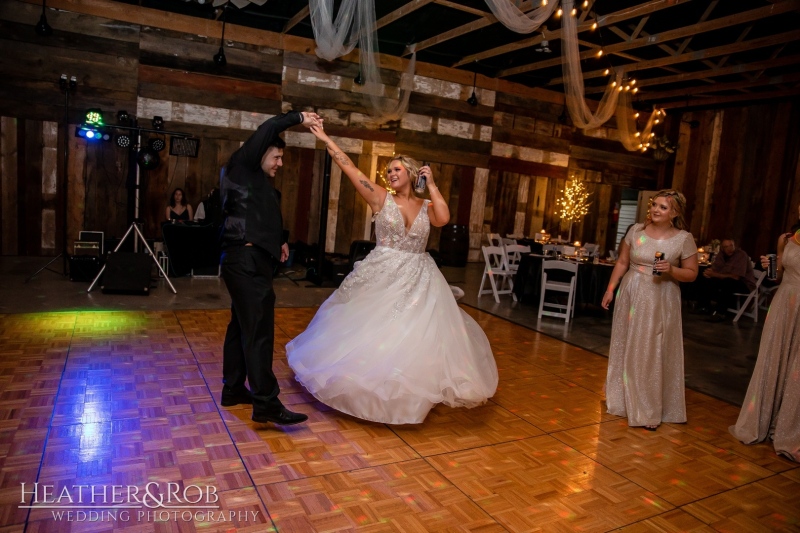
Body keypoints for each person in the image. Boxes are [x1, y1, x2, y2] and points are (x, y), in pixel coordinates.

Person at [286, 125, 498, 425]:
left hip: (419, 276)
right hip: (384, 272)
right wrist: (324, 139)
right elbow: (349, 168)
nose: (390, 174)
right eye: (388, 171)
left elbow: (444, 218)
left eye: (396, 169)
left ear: (412, 173)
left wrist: (433, 185)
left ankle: (407, 389)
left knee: (412, 333)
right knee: (375, 329)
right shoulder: (380, 198)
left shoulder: (426, 205)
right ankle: (370, 385)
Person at [219, 110, 321, 426]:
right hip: (246, 263)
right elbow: (270, 126)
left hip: (250, 260)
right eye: (276, 157)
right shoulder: (243, 163)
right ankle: (266, 403)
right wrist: (299, 117)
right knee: (259, 332)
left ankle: (234, 388)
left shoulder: (255, 180)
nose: (279, 163)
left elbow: (258, 216)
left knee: (241, 326)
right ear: (261, 151)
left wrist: (279, 241)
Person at [601, 190, 698, 430]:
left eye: (663, 207)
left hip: (661, 296)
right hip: (632, 291)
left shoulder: (683, 238)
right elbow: (622, 262)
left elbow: (692, 274)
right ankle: (623, 399)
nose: (656, 210)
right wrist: (610, 289)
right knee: (627, 343)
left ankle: (648, 407)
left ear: (674, 213)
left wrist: (672, 271)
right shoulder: (635, 231)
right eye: (654, 205)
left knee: (651, 347)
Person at [730, 231, 799, 462]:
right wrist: (771, 265)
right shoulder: (788, 238)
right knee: (774, 359)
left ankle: (789, 429)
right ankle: (765, 420)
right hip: (785, 304)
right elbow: (778, 276)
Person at [699, 238, 756, 320]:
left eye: (731, 246)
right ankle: (704, 307)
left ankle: (720, 313)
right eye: (726, 247)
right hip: (726, 279)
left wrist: (714, 274)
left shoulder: (741, 255)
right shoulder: (721, 254)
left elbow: (736, 277)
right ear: (722, 248)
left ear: (734, 246)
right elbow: (716, 268)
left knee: (727, 283)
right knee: (706, 278)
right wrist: (709, 272)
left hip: (744, 283)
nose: (729, 249)